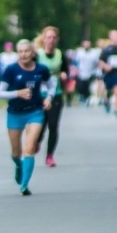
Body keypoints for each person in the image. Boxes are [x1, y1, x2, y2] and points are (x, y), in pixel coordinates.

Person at [0, 39, 55, 196]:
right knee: (16, 153)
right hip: (15, 113)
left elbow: (51, 85)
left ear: (33, 53)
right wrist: (17, 93)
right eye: (20, 52)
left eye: (26, 51)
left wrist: (49, 98)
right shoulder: (11, 70)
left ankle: (24, 185)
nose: (23, 55)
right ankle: (18, 165)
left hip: (35, 112)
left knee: (29, 148)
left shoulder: (41, 69)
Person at [35, 26, 69, 167]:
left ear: (57, 40)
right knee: (41, 124)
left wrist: (64, 75)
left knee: (53, 125)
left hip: (56, 93)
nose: (51, 40)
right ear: (44, 39)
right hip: (39, 95)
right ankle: (37, 141)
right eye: (49, 37)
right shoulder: (37, 55)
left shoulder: (60, 55)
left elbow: (66, 71)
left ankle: (50, 156)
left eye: (54, 38)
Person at [74, 40, 100, 107]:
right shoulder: (80, 52)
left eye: (87, 44)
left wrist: (96, 71)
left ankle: (87, 99)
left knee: (89, 87)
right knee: (81, 87)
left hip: (91, 73)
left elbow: (97, 62)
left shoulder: (94, 53)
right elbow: (76, 61)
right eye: (85, 44)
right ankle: (82, 97)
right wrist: (76, 70)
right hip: (81, 73)